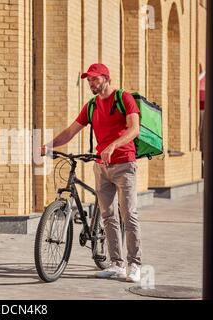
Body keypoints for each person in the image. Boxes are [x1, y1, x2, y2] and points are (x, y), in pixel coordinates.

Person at [41, 63, 142, 282]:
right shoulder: (91, 106)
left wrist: (114, 145)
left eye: (94, 79)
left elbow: (134, 129)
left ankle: (134, 265)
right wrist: (48, 145)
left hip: (124, 164)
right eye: (88, 80)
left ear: (106, 78)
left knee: (129, 214)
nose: (91, 83)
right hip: (102, 166)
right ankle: (117, 264)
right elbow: (70, 131)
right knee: (108, 215)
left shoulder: (123, 99)